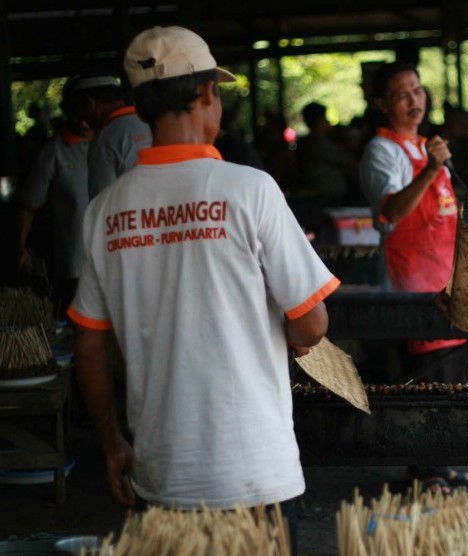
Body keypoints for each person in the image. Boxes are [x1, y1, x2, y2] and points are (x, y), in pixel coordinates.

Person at [67, 25, 339, 551]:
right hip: (256, 471)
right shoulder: (249, 189)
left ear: (140, 107)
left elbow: (89, 346)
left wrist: (111, 443)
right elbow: (311, 320)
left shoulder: (104, 212)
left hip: (162, 473)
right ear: (207, 93)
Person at [358, 60, 468, 493]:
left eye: (418, 90)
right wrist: (428, 170)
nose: (414, 100)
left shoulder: (429, 147)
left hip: (444, 279)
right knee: (425, 379)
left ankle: (438, 467)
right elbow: (392, 210)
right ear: (382, 104)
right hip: (411, 285)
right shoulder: (382, 151)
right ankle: (426, 471)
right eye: (402, 94)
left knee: (452, 381)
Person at [17, 75, 93, 318]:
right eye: (76, 112)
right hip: (73, 264)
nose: (83, 122)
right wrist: (20, 249)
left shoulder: (108, 142)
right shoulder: (54, 152)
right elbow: (29, 205)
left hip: (111, 263)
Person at [77, 68, 152, 198]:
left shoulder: (103, 142)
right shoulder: (152, 122)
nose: (84, 122)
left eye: (83, 112)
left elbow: (102, 204)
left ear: (90, 105)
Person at [296, 101, 355, 206]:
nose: (328, 122)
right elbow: (346, 161)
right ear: (318, 121)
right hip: (326, 196)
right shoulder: (318, 143)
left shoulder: (313, 141)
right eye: (324, 118)